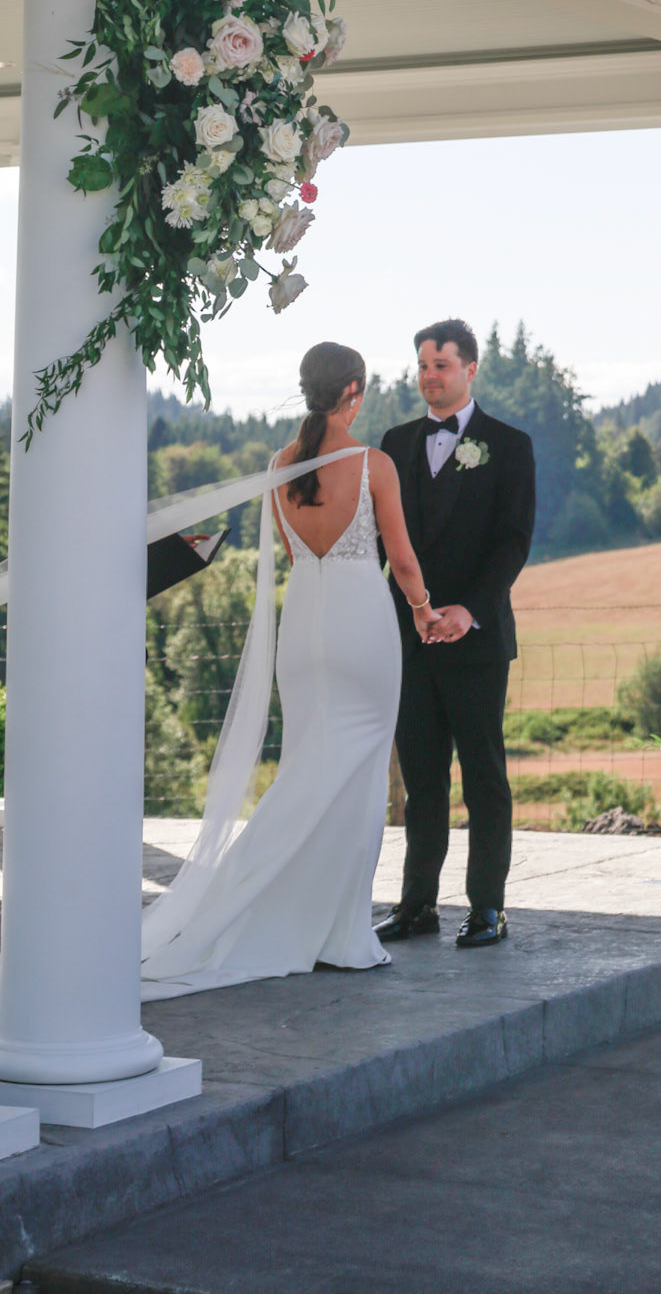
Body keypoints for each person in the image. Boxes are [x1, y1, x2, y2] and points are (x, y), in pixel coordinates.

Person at [139, 342, 433, 993]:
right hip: (361, 624)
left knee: (306, 765)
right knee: (356, 783)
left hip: (302, 625)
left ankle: (287, 914)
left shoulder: (279, 465)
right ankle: (338, 932)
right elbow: (404, 560)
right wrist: (423, 609)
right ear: (352, 392)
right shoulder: (373, 463)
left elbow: (296, 556)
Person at [377, 319, 536, 950]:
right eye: (422, 365)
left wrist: (469, 610)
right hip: (411, 638)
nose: (429, 376)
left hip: (476, 639)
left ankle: (488, 907)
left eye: (440, 365)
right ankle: (417, 905)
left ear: (471, 369)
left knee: (484, 777)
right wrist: (404, 610)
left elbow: (514, 541)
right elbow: (386, 540)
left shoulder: (510, 445)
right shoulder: (395, 443)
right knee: (421, 781)